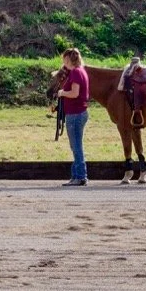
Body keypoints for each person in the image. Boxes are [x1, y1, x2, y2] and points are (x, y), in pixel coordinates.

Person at [54, 47, 91, 186]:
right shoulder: (81, 71)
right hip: (79, 112)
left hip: (75, 113)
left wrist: (62, 93)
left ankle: (80, 176)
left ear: (68, 59)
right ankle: (77, 175)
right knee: (76, 145)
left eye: (64, 59)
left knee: (76, 146)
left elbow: (75, 93)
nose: (63, 62)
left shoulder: (75, 72)